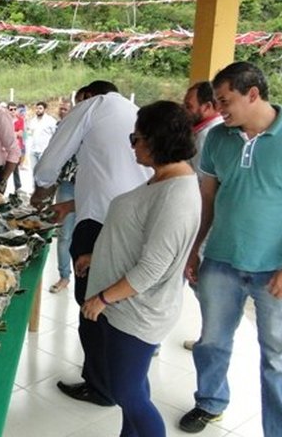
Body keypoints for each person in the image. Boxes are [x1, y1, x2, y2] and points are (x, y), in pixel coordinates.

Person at [178, 62, 282, 436]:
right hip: (220, 260)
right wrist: (194, 250)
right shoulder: (219, 139)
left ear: (252, 93)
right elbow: (206, 201)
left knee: (281, 359)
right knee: (211, 342)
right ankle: (210, 403)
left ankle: (281, 431)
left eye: (225, 100)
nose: (219, 108)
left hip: (277, 267)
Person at [81, 101, 200, 437]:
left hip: (135, 312)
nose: (132, 145)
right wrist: (99, 256)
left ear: (157, 141)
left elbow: (152, 268)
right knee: (132, 388)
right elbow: (136, 235)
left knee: (127, 394)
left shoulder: (177, 194)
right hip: (125, 307)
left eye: (136, 139)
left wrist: (103, 298)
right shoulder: (161, 180)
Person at [31, 80, 151, 407]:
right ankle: (117, 378)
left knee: (91, 305)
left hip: (98, 226)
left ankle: (99, 386)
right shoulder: (134, 111)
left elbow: (49, 164)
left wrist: (40, 191)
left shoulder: (92, 107)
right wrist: (71, 205)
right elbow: (107, 174)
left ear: (86, 97)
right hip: (132, 222)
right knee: (115, 304)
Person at [180, 80, 224, 351]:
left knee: (199, 283)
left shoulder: (209, 136)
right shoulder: (200, 132)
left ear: (208, 107)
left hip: (200, 222)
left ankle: (210, 339)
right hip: (192, 218)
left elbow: (202, 186)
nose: (185, 110)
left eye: (189, 106)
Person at [48, 91, 83, 294]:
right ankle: (64, 276)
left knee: (87, 235)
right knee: (64, 234)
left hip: (89, 188)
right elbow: (54, 160)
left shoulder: (94, 129)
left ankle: (84, 276)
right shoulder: (62, 128)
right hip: (67, 186)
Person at [27, 100, 56, 173]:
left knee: (42, 172)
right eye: (37, 108)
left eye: (40, 108)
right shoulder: (33, 121)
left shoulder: (51, 121)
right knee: (34, 172)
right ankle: (34, 184)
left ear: (45, 110)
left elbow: (55, 135)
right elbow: (29, 134)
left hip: (44, 150)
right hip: (33, 150)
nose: (38, 110)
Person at [8, 102, 26, 191]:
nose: (13, 111)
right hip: (6, 148)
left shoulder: (20, 120)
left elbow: (21, 134)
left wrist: (12, 134)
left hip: (17, 147)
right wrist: (15, 133)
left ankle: (17, 187)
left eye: (15, 109)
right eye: (11, 109)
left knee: (15, 168)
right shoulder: (5, 120)